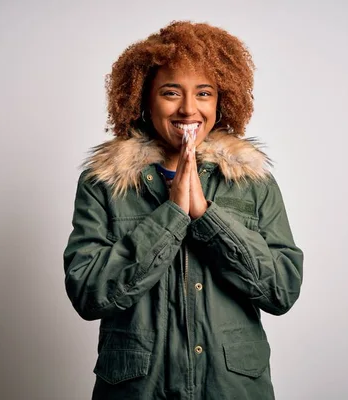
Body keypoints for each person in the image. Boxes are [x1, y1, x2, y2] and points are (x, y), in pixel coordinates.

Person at [63, 20, 304, 400]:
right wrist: (172, 215)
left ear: (222, 100)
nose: (189, 109)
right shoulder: (105, 183)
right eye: (171, 92)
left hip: (232, 390)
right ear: (144, 98)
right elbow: (90, 293)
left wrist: (206, 216)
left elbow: (281, 291)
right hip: (139, 390)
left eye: (204, 93)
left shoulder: (252, 181)